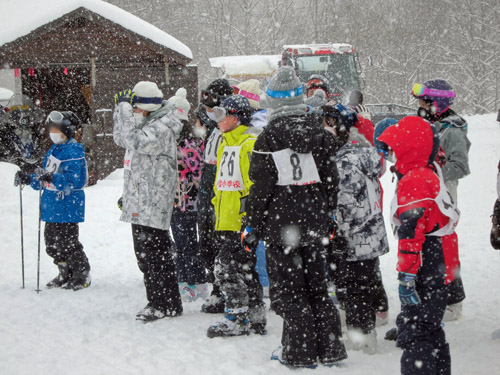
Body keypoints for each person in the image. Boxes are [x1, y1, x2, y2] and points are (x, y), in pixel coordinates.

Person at [245, 66, 347, 368]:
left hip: (281, 227)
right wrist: (326, 213)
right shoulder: (320, 134)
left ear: (273, 101)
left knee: (290, 290)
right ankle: (330, 348)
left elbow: (259, 188)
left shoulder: (267, 138)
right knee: (317, 285)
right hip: (314, 223)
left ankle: (298, 351)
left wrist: (253, 223)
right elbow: (332, 180)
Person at [377, 116, 460, 375]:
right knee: (430, 327)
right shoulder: (427, 170)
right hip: (440, 259)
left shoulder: (415, 180)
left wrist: (407, 276)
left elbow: (412, 233)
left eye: (395, 146)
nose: (391, 152)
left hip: (426, 260)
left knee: (417, 331)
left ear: (410, 147)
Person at [321, 103, 390, 354]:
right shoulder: (362, 152)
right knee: (364, 285)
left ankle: (362, 340)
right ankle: (365, 332)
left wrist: (337, 233)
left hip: (353, 236)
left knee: (354, 290)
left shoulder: (345, 161)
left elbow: (345, 202)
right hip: (369, 234)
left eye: (327, 123)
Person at [113, 81, 183, 322]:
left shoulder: (162, 128)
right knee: (145, 255)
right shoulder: (145, 123)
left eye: (134, 108)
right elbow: (121, 138)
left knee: (155, 256)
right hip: (140, 199)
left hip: (153, 201)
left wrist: (124, 110)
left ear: (146, 108)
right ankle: (161, 301)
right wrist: (119, 111)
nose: (132, 112)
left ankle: (164, 303)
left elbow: (135, 141)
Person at [206, 94, 266, 338]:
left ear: (235, 118)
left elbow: (256, 184)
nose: (218, 120)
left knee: (227, 267)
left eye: (223, 115)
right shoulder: (224, 142)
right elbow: (220, 183)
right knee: (244, 268)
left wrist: (250, 219)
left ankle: (236, 315)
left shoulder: (248, 143)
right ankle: (255, 314)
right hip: (225, 217)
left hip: (240, 220)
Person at [412, 79, 469, 321]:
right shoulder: (429, 124)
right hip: (427, 197)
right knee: (427, 247)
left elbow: (460, 165)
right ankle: (430, 294)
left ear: (438, 103)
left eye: (424, 101)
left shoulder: (452, 130)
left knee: (445, 248)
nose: (420, 105)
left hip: (444, 198)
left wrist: (431, 175)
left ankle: (454, 300)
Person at [14, 111, 90, 290]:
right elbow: (45, 177)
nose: (53, 133)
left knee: (68, 243)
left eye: (57, 129)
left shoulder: (73, 151)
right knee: (52, 244)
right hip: (51, 206)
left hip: (67, 206)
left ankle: (81, 273)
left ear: (68, 130)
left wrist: (52, 178)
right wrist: (29, 178)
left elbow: (73, 181)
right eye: (51, 129)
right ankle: (65, 272)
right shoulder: (54, 150)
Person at [167, 88, 208, 302]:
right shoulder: (173, 143)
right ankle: (185, 280)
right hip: (175, 201)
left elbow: (199, 173)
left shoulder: (190, 145)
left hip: (187, 203)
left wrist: (189, 184)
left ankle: (194, 282)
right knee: (181, 243)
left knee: (188, 244)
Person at [198, 79, 233, 314]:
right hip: (207, 189)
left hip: (222, 193)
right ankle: (215, 286)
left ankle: (224, 292)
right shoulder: (212, 129)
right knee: (207, 244)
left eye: (211, 100)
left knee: (223, 245)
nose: (207, 107)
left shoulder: (230, 128)